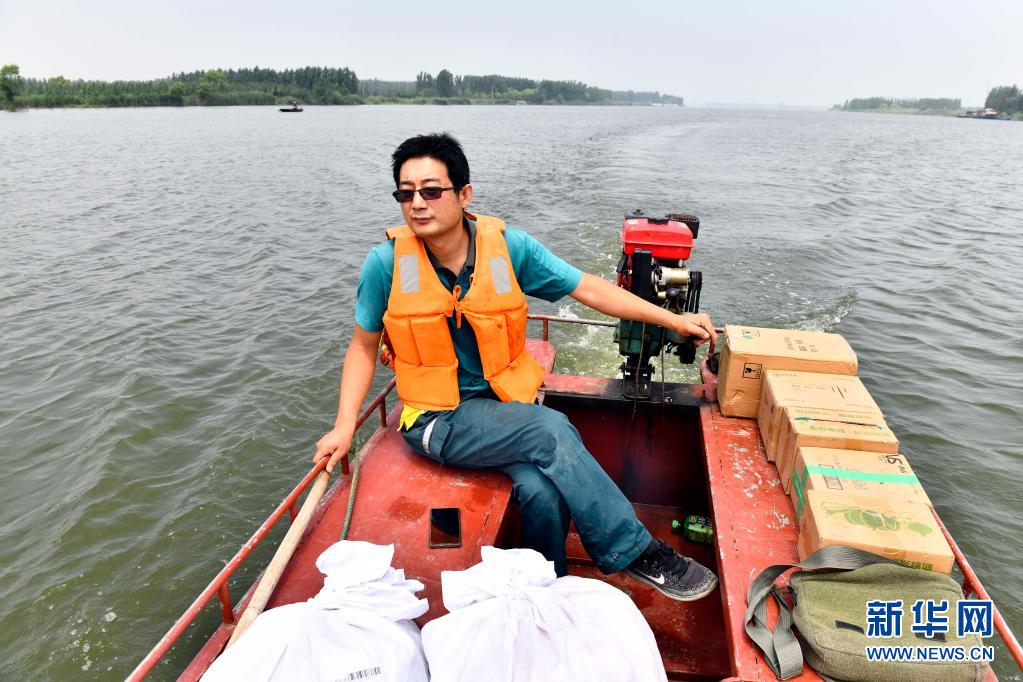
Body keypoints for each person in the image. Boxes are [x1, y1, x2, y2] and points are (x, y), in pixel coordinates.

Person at [314, 133, 719, 602]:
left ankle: (546, 591)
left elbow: (587, 288)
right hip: (436, 419)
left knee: (542, 490)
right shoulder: (385, 264)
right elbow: (363, 348)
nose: (418, 204)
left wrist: (672, 319)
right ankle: (636, 551)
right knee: (550, 429)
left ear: (464, 194)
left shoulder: (508, 248)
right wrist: (344, 425)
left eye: (431, 190)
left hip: (503, 410)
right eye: (406, 194)